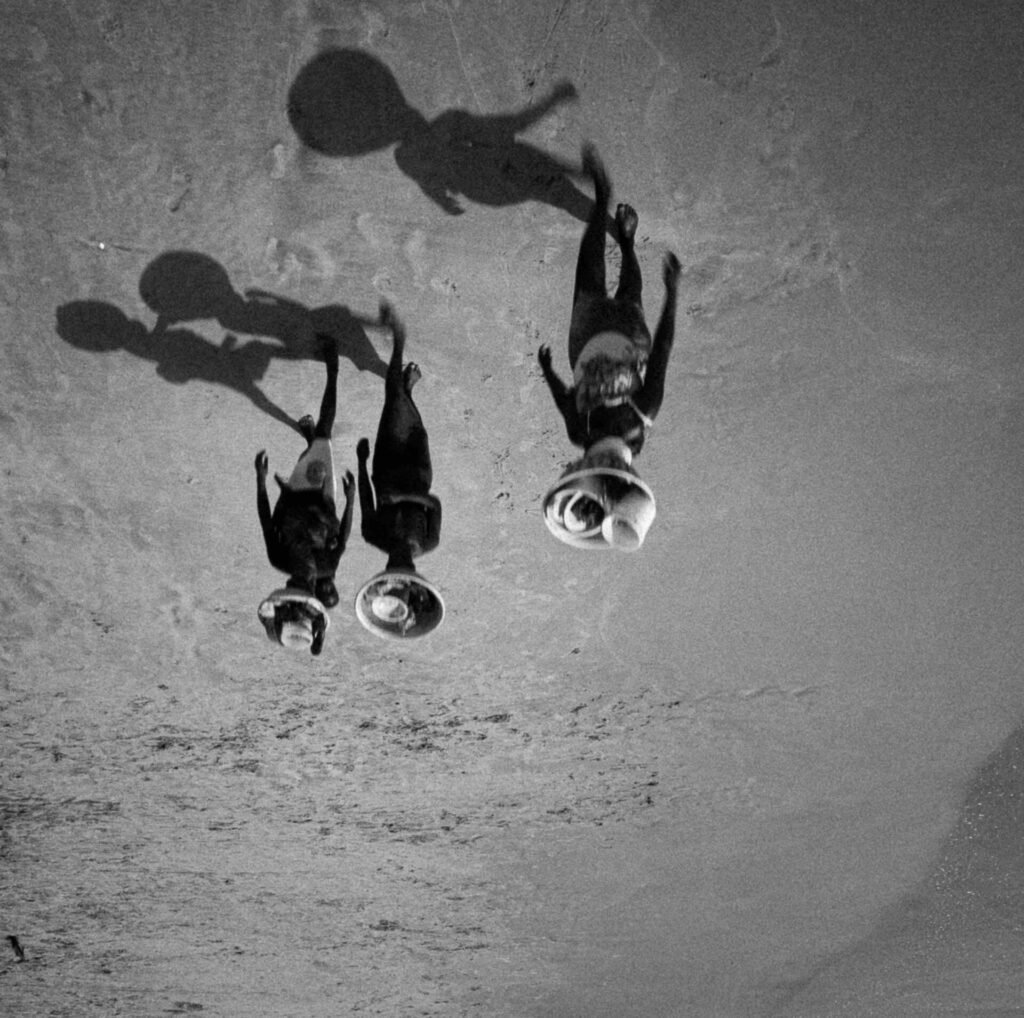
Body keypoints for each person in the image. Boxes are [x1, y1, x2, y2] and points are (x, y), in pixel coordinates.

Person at [538, 143, 681, 462]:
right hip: (598, 339)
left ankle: (619, 228)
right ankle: (618, 227)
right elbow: (662, 351)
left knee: (619, 287)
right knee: (600, 277)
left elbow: (662, 349)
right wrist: (672, 294)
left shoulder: (640, 414)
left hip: (616, 338)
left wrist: (672, 293)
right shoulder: (588, 431)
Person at [255, 334, 354, 652]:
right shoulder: (325, 566)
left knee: (311, 451)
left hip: (294, 493)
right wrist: (351, 500)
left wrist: (261, 481)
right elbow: (345, 535)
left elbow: (266, 520)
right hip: (323, 498)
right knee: (325, 434)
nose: (291, 583)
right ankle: (333, 369)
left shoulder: (279, 558)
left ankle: (311, 438)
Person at [354, 302, 443, 637]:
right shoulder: (429, 540)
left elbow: (365, 499)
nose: (396, 563)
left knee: (392, 402)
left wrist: (361, 463)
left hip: (385, 461)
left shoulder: (373, 535)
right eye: (402, 568)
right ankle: (406, 387)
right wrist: (406, 496)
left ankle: (399, 343)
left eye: (390, 568)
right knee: (411, 418)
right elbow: (435, 504)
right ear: (412, 572)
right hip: (419, 468)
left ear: (386, 571)